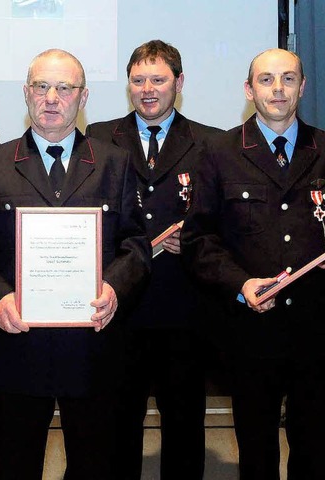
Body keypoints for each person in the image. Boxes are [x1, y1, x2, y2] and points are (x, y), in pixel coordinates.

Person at [0, 48, 151, 480]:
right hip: (17, 344)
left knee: (96, 465)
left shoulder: (114, 162)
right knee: (13, 464)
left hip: (92, 349)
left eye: (64, 88)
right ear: (26, 93)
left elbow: (136, 242)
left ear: (84, 96)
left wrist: (115, 287)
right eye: (41, 87)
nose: (51, 98)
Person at [181, 48, 325, 479]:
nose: (277, 89)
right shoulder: (218, 151)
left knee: (315, 445)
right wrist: (240, 284)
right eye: (266, 79)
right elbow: (198, 239)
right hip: (249, 330)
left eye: (287, 79)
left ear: (303, 86)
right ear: (249, 89)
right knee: (256, 448)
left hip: (317, 329)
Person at [86, 39, 221, 480]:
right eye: (138, 80)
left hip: (183, 308)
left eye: (158, 79)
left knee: (184, 423)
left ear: (178, 83)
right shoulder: (98, 139)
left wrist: (198, 237)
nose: (147, 89)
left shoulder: (210, 143)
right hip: (117, 308)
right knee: (116, 423)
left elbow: (224, 222)